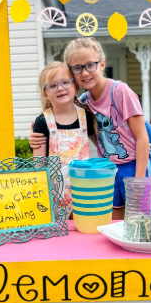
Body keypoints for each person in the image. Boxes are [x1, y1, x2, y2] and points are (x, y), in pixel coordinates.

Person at [30, 38, 151, 220]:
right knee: (112, 224)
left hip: (133, 168)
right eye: (78, 68)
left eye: (90, 65)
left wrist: (139, 181)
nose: (85, 72)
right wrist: (36, 135)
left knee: (139, 220)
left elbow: (142, 136)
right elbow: (97, 138)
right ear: (74, 75)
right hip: (105, 172)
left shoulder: (120, 91)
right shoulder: (85, 103)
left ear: (102, 64)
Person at [33, 61, 96, 219]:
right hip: (55, 196)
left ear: (75, 87)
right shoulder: (42, 122)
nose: (60, 88)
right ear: (45, 93)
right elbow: (38, 164)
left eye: (65, 82)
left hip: (84, 190)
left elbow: (102, 146)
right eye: (53, 85)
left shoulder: (85, 116)